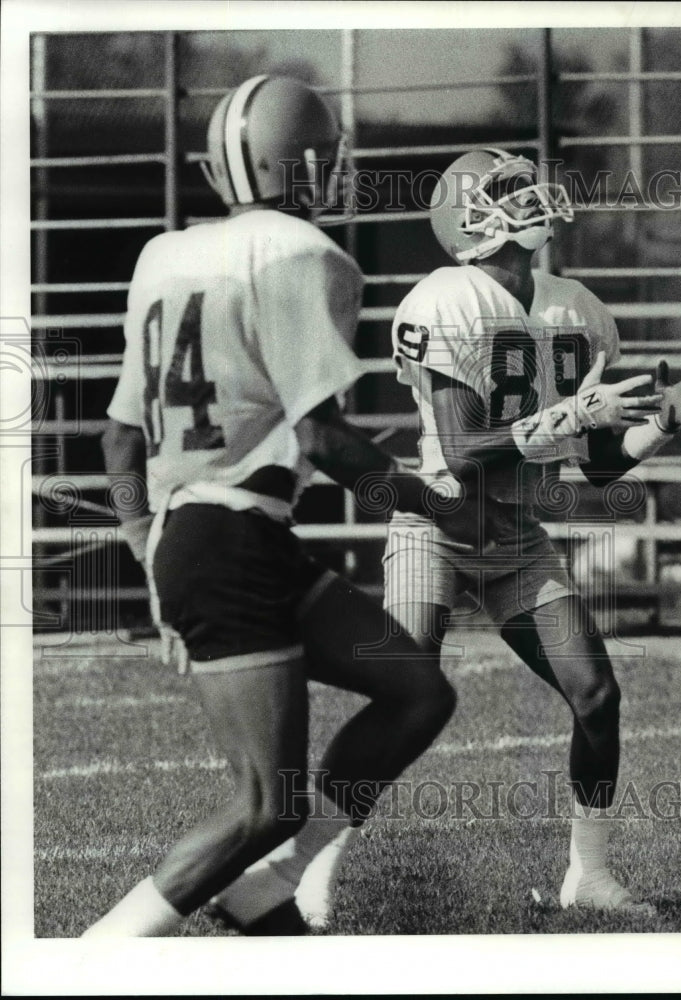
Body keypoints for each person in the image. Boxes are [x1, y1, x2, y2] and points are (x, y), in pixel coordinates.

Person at [82, 76, 489, 937]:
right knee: (267, 800)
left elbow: (118, 443)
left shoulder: (164, 255)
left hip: (221, 538)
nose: (337, 168)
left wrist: (148, 554)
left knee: (416, 691)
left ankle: (270, 890)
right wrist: (441, 509)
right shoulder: (307, 255)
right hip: (228, 539)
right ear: (302, 163)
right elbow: (326, 442)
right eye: (329, 154)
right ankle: (101, 953)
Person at [378, 147, 681, 915]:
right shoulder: (444, 297)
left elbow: (593, 466)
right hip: (438, 524)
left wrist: (656, 428)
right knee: (404, 695)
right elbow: (462, 454)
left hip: (519, 539)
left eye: (527, 186)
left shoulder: (576, 308)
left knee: (596, 693)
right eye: (507, 191)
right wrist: (571, 414)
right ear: (468, 218)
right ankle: (311, 861)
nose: (529, 198)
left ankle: (587, 875)